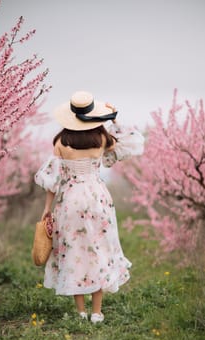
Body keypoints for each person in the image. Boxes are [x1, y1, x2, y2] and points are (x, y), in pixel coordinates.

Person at [35, 91, 144, 323]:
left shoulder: (60, 142)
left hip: (70, 200)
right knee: (98, 249)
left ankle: (80, 311)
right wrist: (114, 119)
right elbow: (133, 142)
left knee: (73, 250)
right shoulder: (102, 139)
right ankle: (97, 312)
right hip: (97, 198)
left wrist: (47, 208)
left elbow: (53, 181)